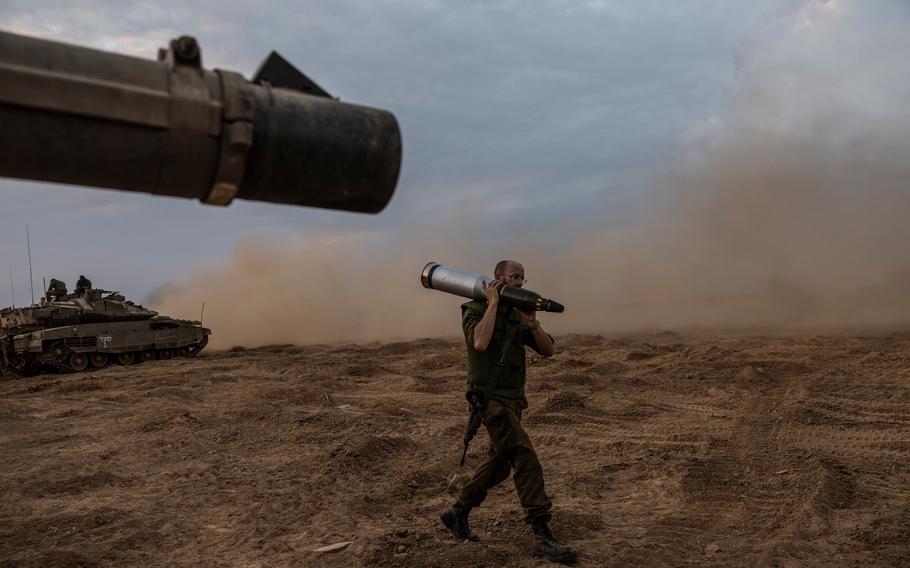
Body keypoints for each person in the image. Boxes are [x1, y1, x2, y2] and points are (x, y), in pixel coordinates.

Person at [440, 260, 577, 564]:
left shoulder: (517, 315)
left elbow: (548, 350)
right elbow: (479, 341)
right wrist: (491, 304)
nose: (519, 282)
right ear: (498, 279)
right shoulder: (475, 309)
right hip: (491, 402)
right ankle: (542, 534)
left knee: (501, 464)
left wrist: (532, 322)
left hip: (514, 401)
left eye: (523, 278)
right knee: (524, 455)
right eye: (514, 277)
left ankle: (457, 512)